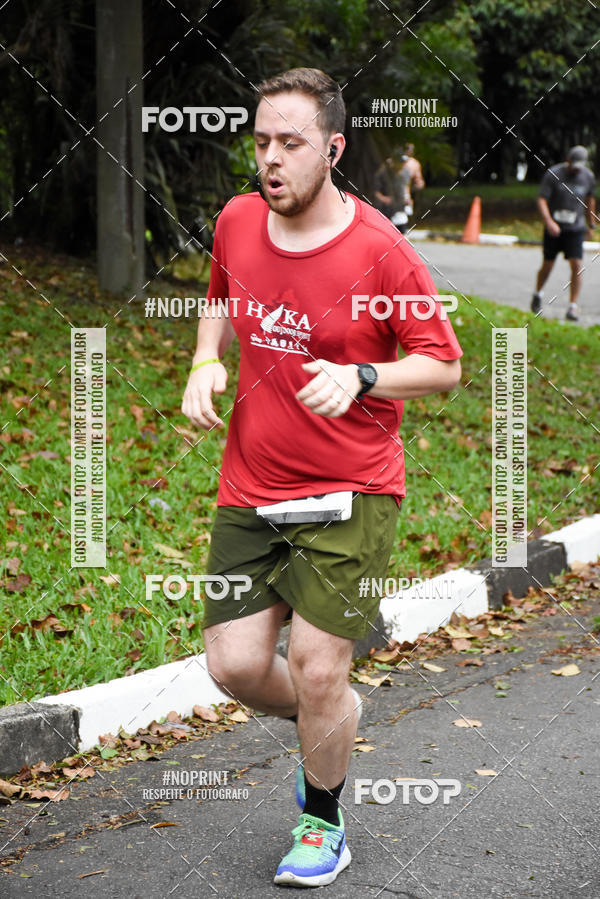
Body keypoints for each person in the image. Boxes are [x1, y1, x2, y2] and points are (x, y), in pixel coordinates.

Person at [181, 67, 462, 888]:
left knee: (313, 662)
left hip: (351, 490)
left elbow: (441, 365)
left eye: (291, 143)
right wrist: (205, 360)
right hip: (251, 484)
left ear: (333, 149)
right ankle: (332, 711)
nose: (271, 159)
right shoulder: (237, 219)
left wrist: (364, 379)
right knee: (233, 665)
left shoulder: (381, 250)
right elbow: (222, 297)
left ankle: (322, 819)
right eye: (261, 141)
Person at [531, 145, 596, 321]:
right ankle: (538, 294)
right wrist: (549, 221)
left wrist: (591, 223)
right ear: (567, 160)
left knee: (576, 265)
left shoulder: (588, 177)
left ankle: (572, 307)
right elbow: (542, 199)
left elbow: (590, 199)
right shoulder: (554, 174)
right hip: (554, 229)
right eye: (573, 165)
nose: (575, 170)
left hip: (575, 228)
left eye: (579, 167)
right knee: (548, 265)